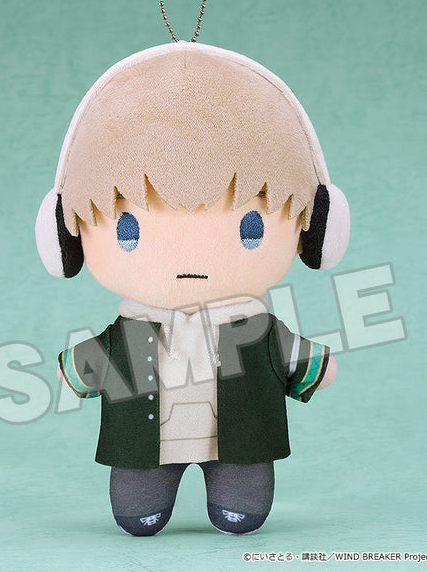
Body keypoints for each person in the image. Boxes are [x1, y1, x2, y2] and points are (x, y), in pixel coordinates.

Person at [36, 41, 349, 535]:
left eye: (251, 228)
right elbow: (88, 366)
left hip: (239, 445)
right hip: (146, 448)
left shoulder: (255, 329)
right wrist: (77, 369)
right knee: (137, 510)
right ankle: (151, 502)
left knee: (242, 504)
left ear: (318, 231)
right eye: (129, 231)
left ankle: (231, 498)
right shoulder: (128, 334)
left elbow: (296, 358)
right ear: (64, 237)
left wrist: (315, 364)